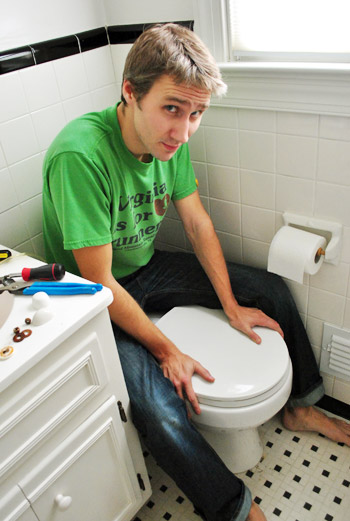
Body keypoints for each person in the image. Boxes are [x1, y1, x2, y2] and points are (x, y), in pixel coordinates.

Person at [42, 23, 350, 521]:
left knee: (267, 290)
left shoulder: (171, 140)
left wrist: (231, 305)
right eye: (172, 109)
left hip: (144, 268)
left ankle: (299, 406)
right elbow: (100, 284)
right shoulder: (81, 155)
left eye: (196, 114)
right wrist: (169, 350)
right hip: (89, 298)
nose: (183, 131)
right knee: (158, 411)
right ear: (130, 92)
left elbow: (196, 221)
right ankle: (234, 510)